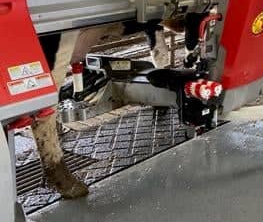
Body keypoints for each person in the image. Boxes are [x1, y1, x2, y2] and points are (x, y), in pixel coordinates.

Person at [32, 20, 169, 199]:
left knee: (49, 85)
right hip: (68, 18)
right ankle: (53, 168)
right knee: (49, 87)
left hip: (82, 17)